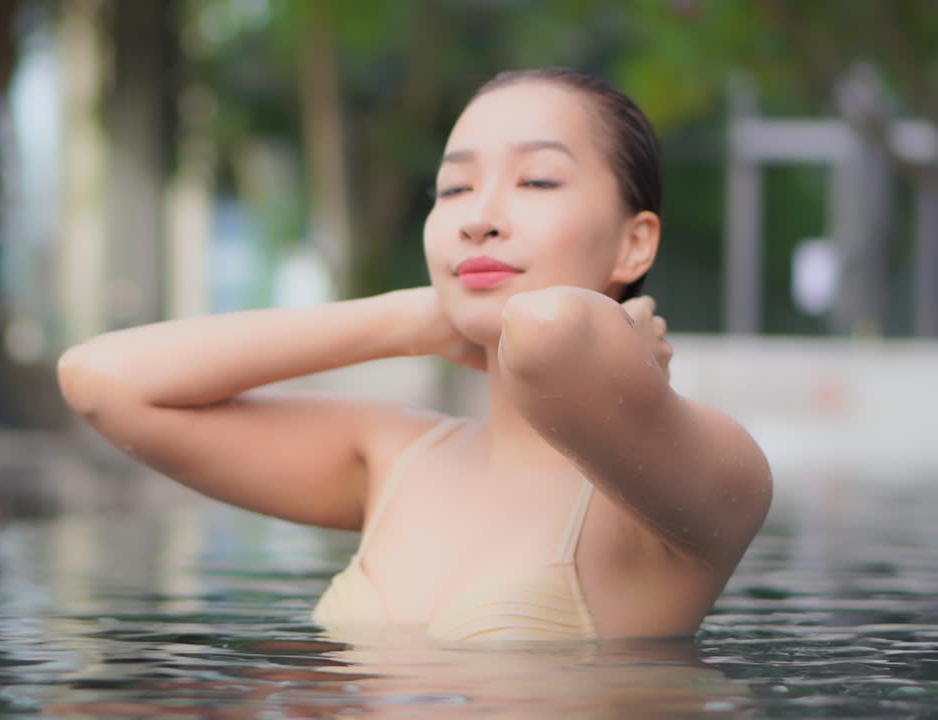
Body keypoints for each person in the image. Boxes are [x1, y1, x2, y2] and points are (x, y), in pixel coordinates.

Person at [57, 68, 772, 648]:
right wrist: (416, 316)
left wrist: (605, 347)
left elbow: (550, 330)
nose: (477, 217)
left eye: (538, 180)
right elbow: (100, 381)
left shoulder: (702, 474)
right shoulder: (394, 458)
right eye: (454, 188)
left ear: (635, 244)